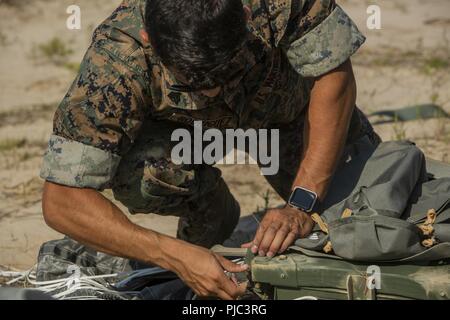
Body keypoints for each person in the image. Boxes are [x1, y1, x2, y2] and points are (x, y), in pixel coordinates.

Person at [40, 0, 380, 299]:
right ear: (148, 40)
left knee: (370, 218)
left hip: (286, 114)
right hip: (186, 137)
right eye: (193, 81)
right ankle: (212, 212)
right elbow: (61, 200)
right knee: (143, 174)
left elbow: (332, 73)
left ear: (247, 15)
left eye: (228, 70)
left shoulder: (279, 3)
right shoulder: (116, 61)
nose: (215, 93)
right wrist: (176, 256)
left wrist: (303, 201)